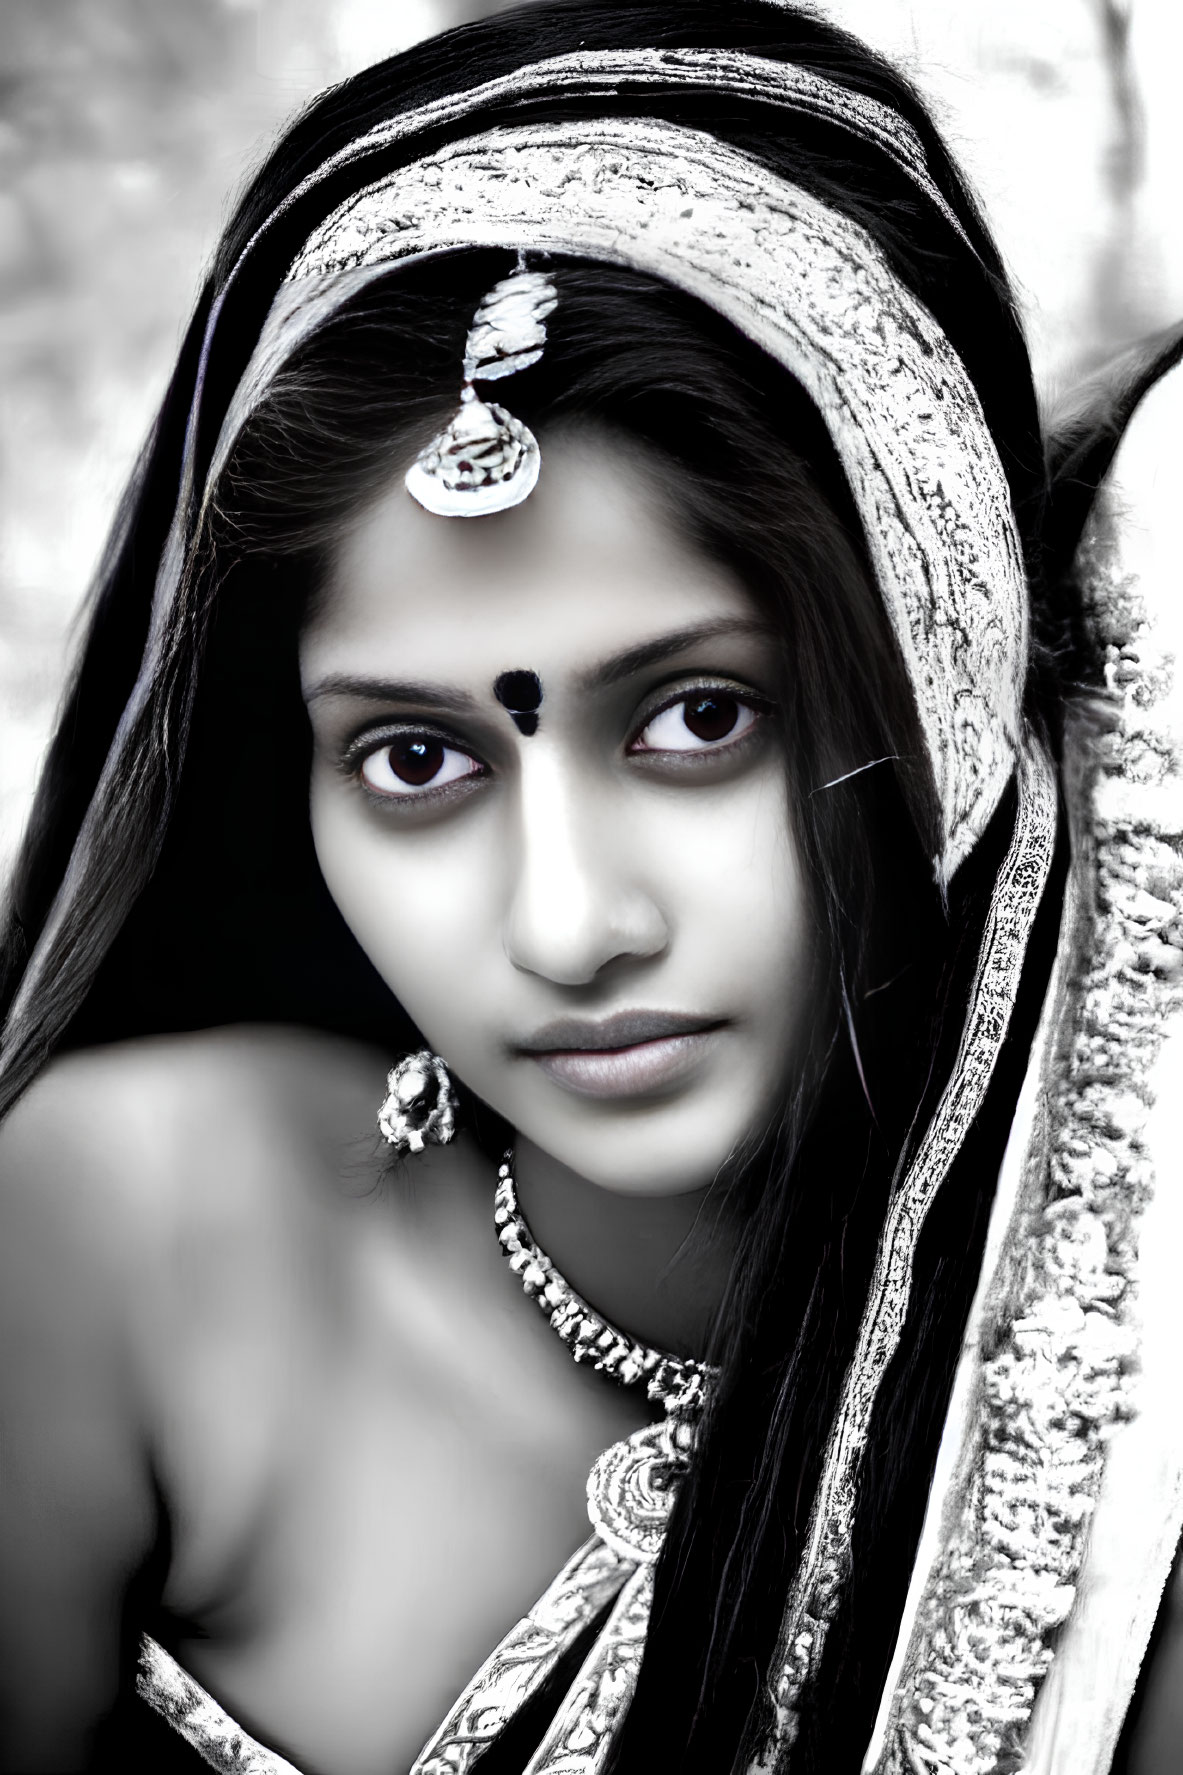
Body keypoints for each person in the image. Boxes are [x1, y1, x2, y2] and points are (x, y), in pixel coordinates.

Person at [1, 4, 1180, 1773]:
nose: (567, 924)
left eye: (700, 720)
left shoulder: (1131, 1413)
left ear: (941, 662)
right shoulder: (136, 1233)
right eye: (417, 761)